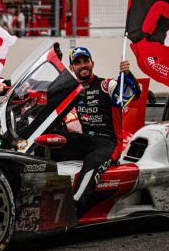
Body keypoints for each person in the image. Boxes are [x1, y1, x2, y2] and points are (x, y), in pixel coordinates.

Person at [51, 47, 140, 217]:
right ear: (71, 68)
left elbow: (134, 94)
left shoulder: (107, 85)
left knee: (92, 162)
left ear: (92, 63)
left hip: (109, 143)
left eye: (86, 61)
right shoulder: (72, 91)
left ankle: (74, 206)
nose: (83, 65)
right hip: (85, 141)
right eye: (77, 63)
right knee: (53, 140)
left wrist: (127, 75)